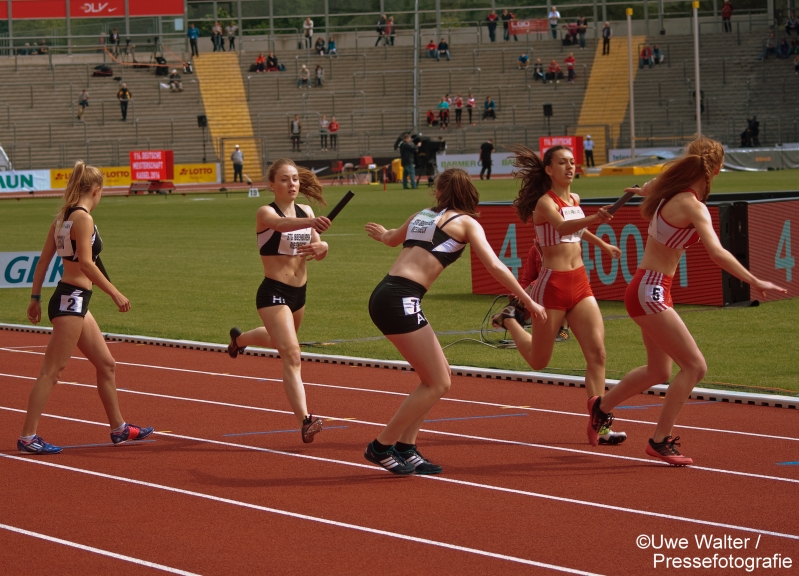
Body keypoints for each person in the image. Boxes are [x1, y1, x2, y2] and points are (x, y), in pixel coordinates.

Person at [588, 138, 787, 466]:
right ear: (716, 170)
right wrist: (753, 279)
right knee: (695, 366)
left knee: (658, 370)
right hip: (651, 290)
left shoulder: (667, 189)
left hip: (648, 287)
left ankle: (601, 407)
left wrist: (643, 191)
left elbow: (650, 185)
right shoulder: (692, 204)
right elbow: (717, 252)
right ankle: (659, 439)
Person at [362, 168, 546, 474]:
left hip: (390, 293)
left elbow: (392, 239)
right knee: (439, 381)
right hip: (400, 299)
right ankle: (381, 446)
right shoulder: (467, 224)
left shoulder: (421, 215)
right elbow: (496, 266)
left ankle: (407, 448)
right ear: (469, 193)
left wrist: (381, 234)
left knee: (437, 376)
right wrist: (526, 300)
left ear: (439, 192)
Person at [492, 145, 627, 447]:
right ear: (549, 170)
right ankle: (509, 320)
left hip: (579, 282)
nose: (570, 167)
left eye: (572, 162)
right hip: (551, 287)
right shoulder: (544, 203)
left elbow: (575, 230)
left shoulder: (575, 199)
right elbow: (563, 226)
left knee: (598, 354)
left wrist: (601, 244)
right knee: (540, 361)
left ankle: (600, 425)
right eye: (562, 163)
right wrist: (595, 219)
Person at [19, 161, 153, 455]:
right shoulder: (83, 219)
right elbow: (86, 264)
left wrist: (36, 298)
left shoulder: (61, 219)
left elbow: (43, 262)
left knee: (107, 364)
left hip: (71, 297)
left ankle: (118, 428)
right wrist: (115, 293)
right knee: (51, 371)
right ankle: (28, 436)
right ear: (96, 190)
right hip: (73, 299)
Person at [227, 159, 331, 444]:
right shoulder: (265, 212)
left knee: (280, 341)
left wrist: (322, 246)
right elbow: (282, 225)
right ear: (271, 185)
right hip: (273, 292)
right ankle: (306, 421)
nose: (292, 184)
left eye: (295, 179)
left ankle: (240, 340)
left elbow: (318, 248)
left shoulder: (306, 210)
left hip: (300, 293)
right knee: (291, 353)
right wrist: (312, 223)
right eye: (285, 179)